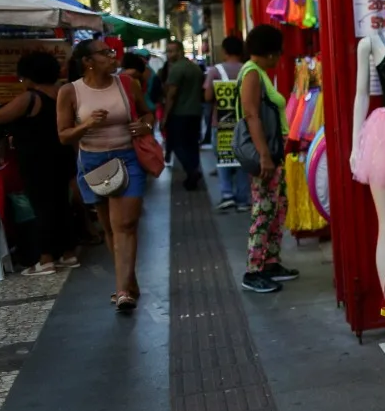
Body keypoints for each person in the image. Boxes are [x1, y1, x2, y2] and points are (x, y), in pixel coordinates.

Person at [58, 37, 153, 312]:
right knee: (110, 227)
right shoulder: (70, 92)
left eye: (113, 52)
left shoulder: (127, 83)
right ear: (87, 62)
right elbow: (63, 135)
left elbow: (148, 113)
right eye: (105, 53)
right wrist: (86, 124)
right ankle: (129, 281)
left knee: (125, 224)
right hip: (93, 162)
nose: (113, 56)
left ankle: (122, 290)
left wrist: (145, 126)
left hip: (127, 157)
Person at [0, 51, 79, 275]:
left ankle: (45, 259)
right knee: (61, 205)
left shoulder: (30, 98)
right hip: (63, 155)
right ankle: (68, 254)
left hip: (37, 160)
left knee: (42, 206)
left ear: (28, 76)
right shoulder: (63, 94)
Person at [239, 24, 299, 293]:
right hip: (267, 155)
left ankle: (271, 262)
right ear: (269, 52)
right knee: (263, 210)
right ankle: (254, 270)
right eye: (277, 52)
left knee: (276, 207)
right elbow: (252, 115)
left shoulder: (258, 72)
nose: (279, 58)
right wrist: (264, 155)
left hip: (274, 153)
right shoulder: (252, 73)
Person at [204, 34, 250, 212]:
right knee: (242, 160)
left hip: (221, 123)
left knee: (223, 158)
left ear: (224, 51)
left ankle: (227, 195)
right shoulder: (247, 69)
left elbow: (207, 96)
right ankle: (243, 198)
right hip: (243, 122)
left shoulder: (215, 71)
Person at [163, 39, 205, 190]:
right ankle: (193, 170)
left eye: (171, 51)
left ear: (180, 51)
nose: (169, 54)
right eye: (167, 51)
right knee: (192, 144)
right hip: (195, 112)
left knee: (177, 144)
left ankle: (191, 170)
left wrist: (165, 116)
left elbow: (171, 95)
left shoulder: (177, 69)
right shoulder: (195, 68)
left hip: (180, 113)